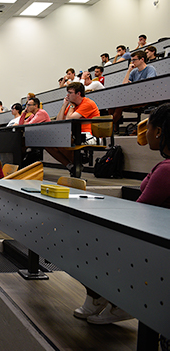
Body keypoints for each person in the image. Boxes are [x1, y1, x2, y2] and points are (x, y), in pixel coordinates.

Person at [74, 103, 170, 325]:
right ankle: (103, 297)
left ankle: (118, 302)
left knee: (83, 238)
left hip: (154, 242)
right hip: (156, 235)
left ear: (158, 132)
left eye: (149, 128)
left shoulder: (166, 170)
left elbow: (139, 211)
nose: (145, 134)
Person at [46, 82, 99, 177]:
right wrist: (64, 105)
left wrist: (71, 107)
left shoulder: (88, 103)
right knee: (48, 143)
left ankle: (78, 162)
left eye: (70, 93)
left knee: (61, 139)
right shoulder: (72, 104)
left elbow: (69, 119)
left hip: (89, 135)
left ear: (78, 94)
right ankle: (71, 166)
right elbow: (59, 120)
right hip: (75, 134)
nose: (67, 95)